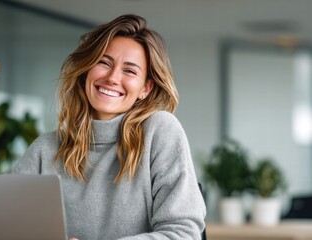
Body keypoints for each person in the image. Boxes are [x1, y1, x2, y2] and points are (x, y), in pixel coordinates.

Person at [12, 14, 206, 240]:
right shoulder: (45, 149)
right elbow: (5, 226)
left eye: (130, 70)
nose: (113, 78)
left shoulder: (160, 131)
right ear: (86, 72)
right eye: (104, 62)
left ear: (145, 88)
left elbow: (182, 233)